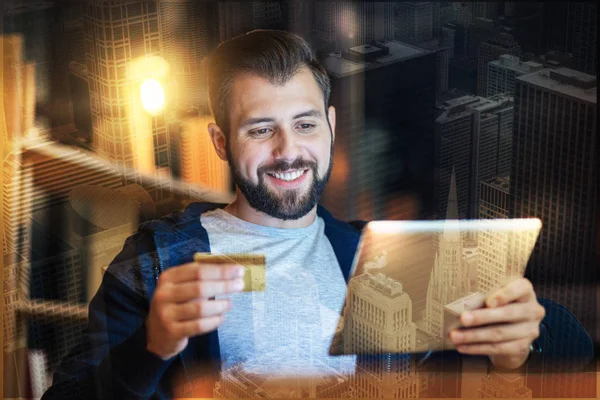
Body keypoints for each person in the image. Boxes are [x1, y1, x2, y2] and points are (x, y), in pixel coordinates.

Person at [43, 30, 594, 400]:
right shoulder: (157, 263)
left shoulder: (377, 259)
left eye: (305, 124)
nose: (288, 150)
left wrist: (520, 348)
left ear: (330, 126)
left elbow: (571, 346)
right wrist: (153, 346)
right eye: (261, 129)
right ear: (219, 141)